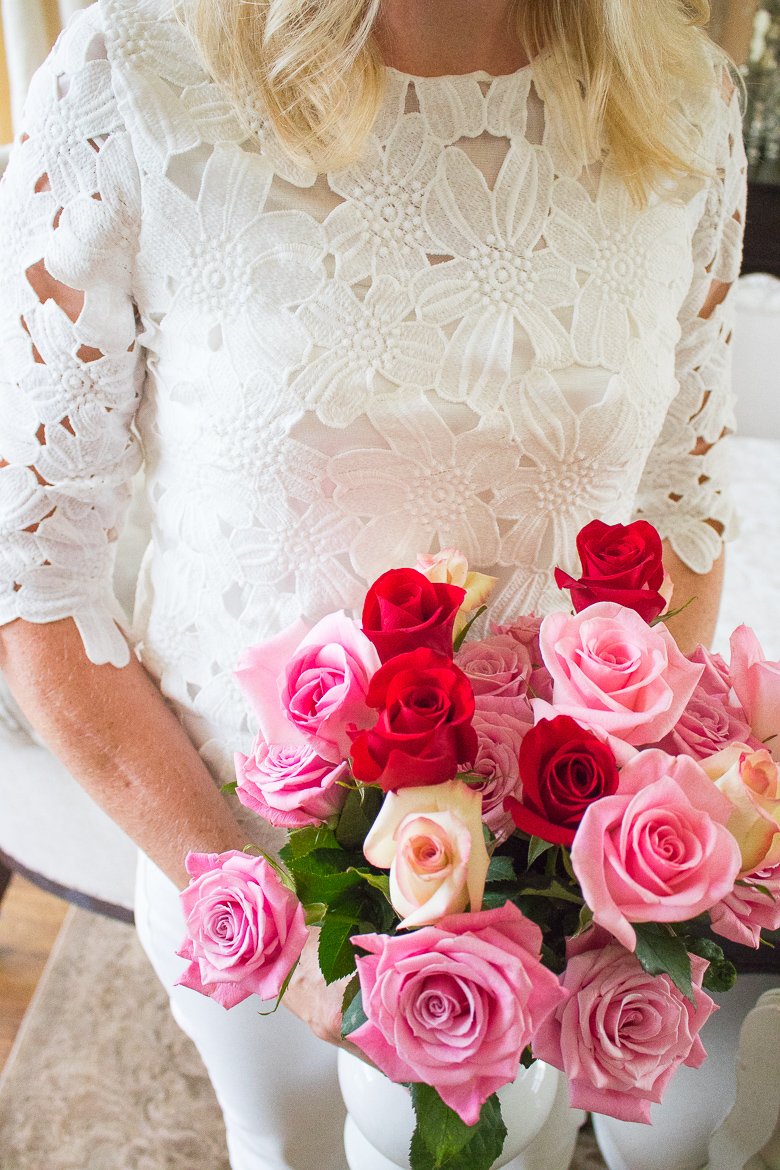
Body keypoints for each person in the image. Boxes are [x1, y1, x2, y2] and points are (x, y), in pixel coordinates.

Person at [0, 0, 746, 1167]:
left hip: (545, 883)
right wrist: (279, 930)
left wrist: (603, 829)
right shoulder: (130, 73)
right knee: (278, 1142)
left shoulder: (687, 98)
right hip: (232, 844)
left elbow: (683, 504)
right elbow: (31, 579)